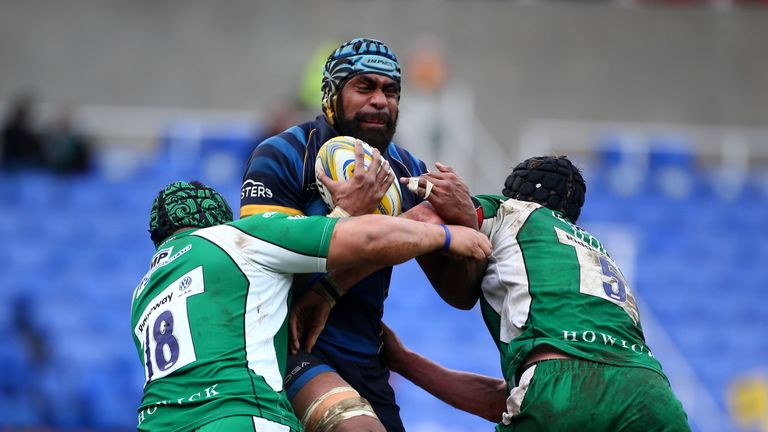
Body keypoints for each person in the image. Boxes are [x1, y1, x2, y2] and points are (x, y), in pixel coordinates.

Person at [240, 37, 478, 431]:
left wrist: (463, 220)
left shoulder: (407, 170)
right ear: (332, 95)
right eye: (364, 87)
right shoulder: (282, 154)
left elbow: (460, 295)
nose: (380, 101)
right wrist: (347, 212)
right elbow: (259, 266)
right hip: (288, 349)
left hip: (366, 358)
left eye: (391, 91)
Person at [131, 180, 490, 432]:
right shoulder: (232, 238)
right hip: (239, 415)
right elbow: (365, 238)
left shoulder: (142, 293)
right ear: (219, 218)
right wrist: (445, 236)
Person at [372, 155, 692, 431]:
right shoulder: (599, 255)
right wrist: (405, 361)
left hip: (558, 387)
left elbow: (423, 220)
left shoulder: (511, 211)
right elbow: (511, 399)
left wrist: (341, 254)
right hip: (653, 395)